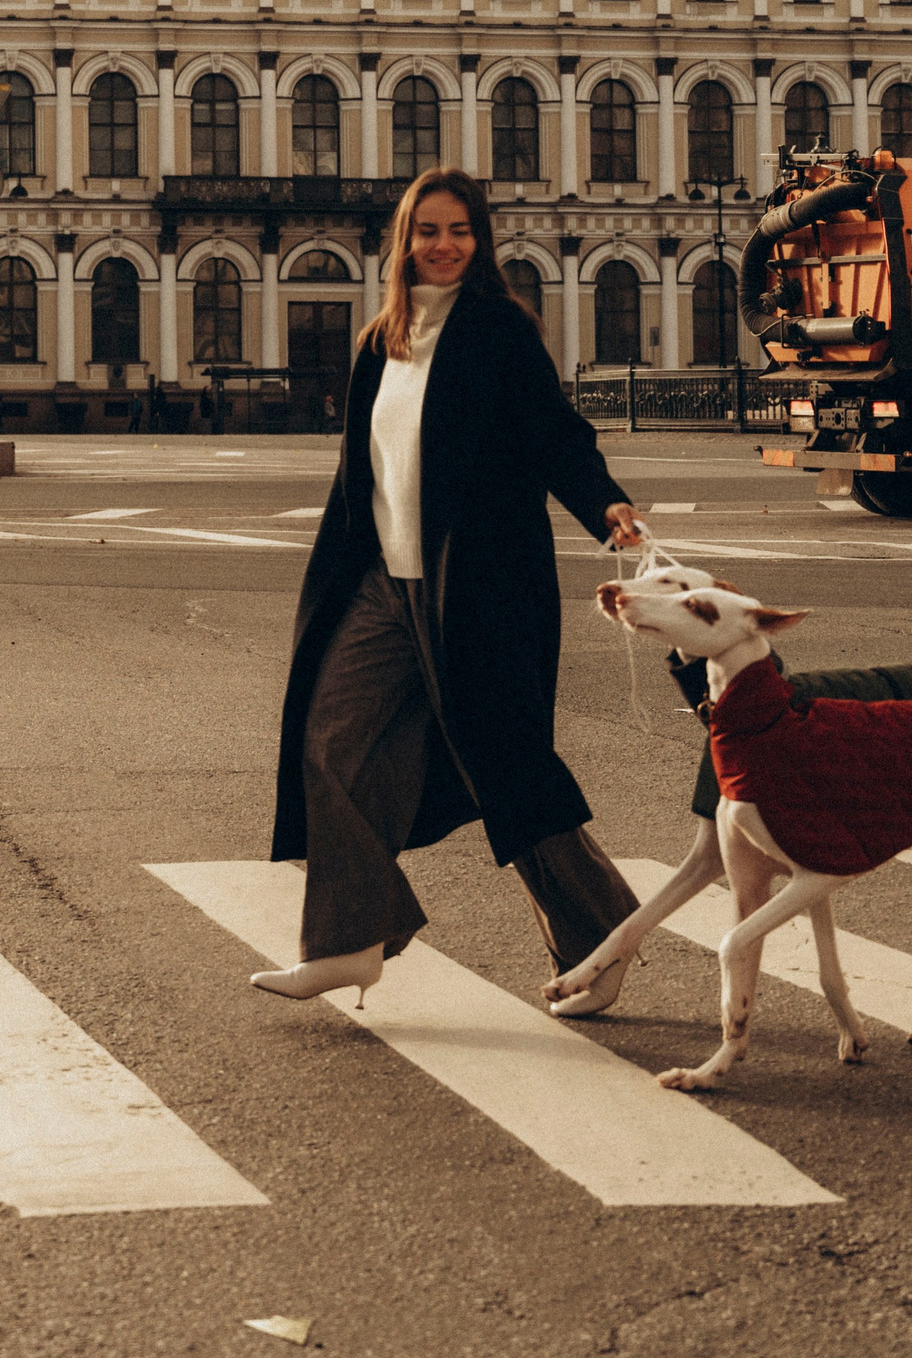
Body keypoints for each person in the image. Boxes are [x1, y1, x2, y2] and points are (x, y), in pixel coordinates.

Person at [256, 166, 650, 1013]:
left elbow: (556, 435)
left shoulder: (500, 332)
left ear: (481, 242)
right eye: (427, 231)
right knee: (328, 741)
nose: (443, 245)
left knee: (506, 769)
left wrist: (603, 501)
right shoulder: (379, 343)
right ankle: (349, 940)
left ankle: (603, 936)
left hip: (477, 590)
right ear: (404, 242)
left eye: (459, 231)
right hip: (382, 585)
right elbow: (361, 474)